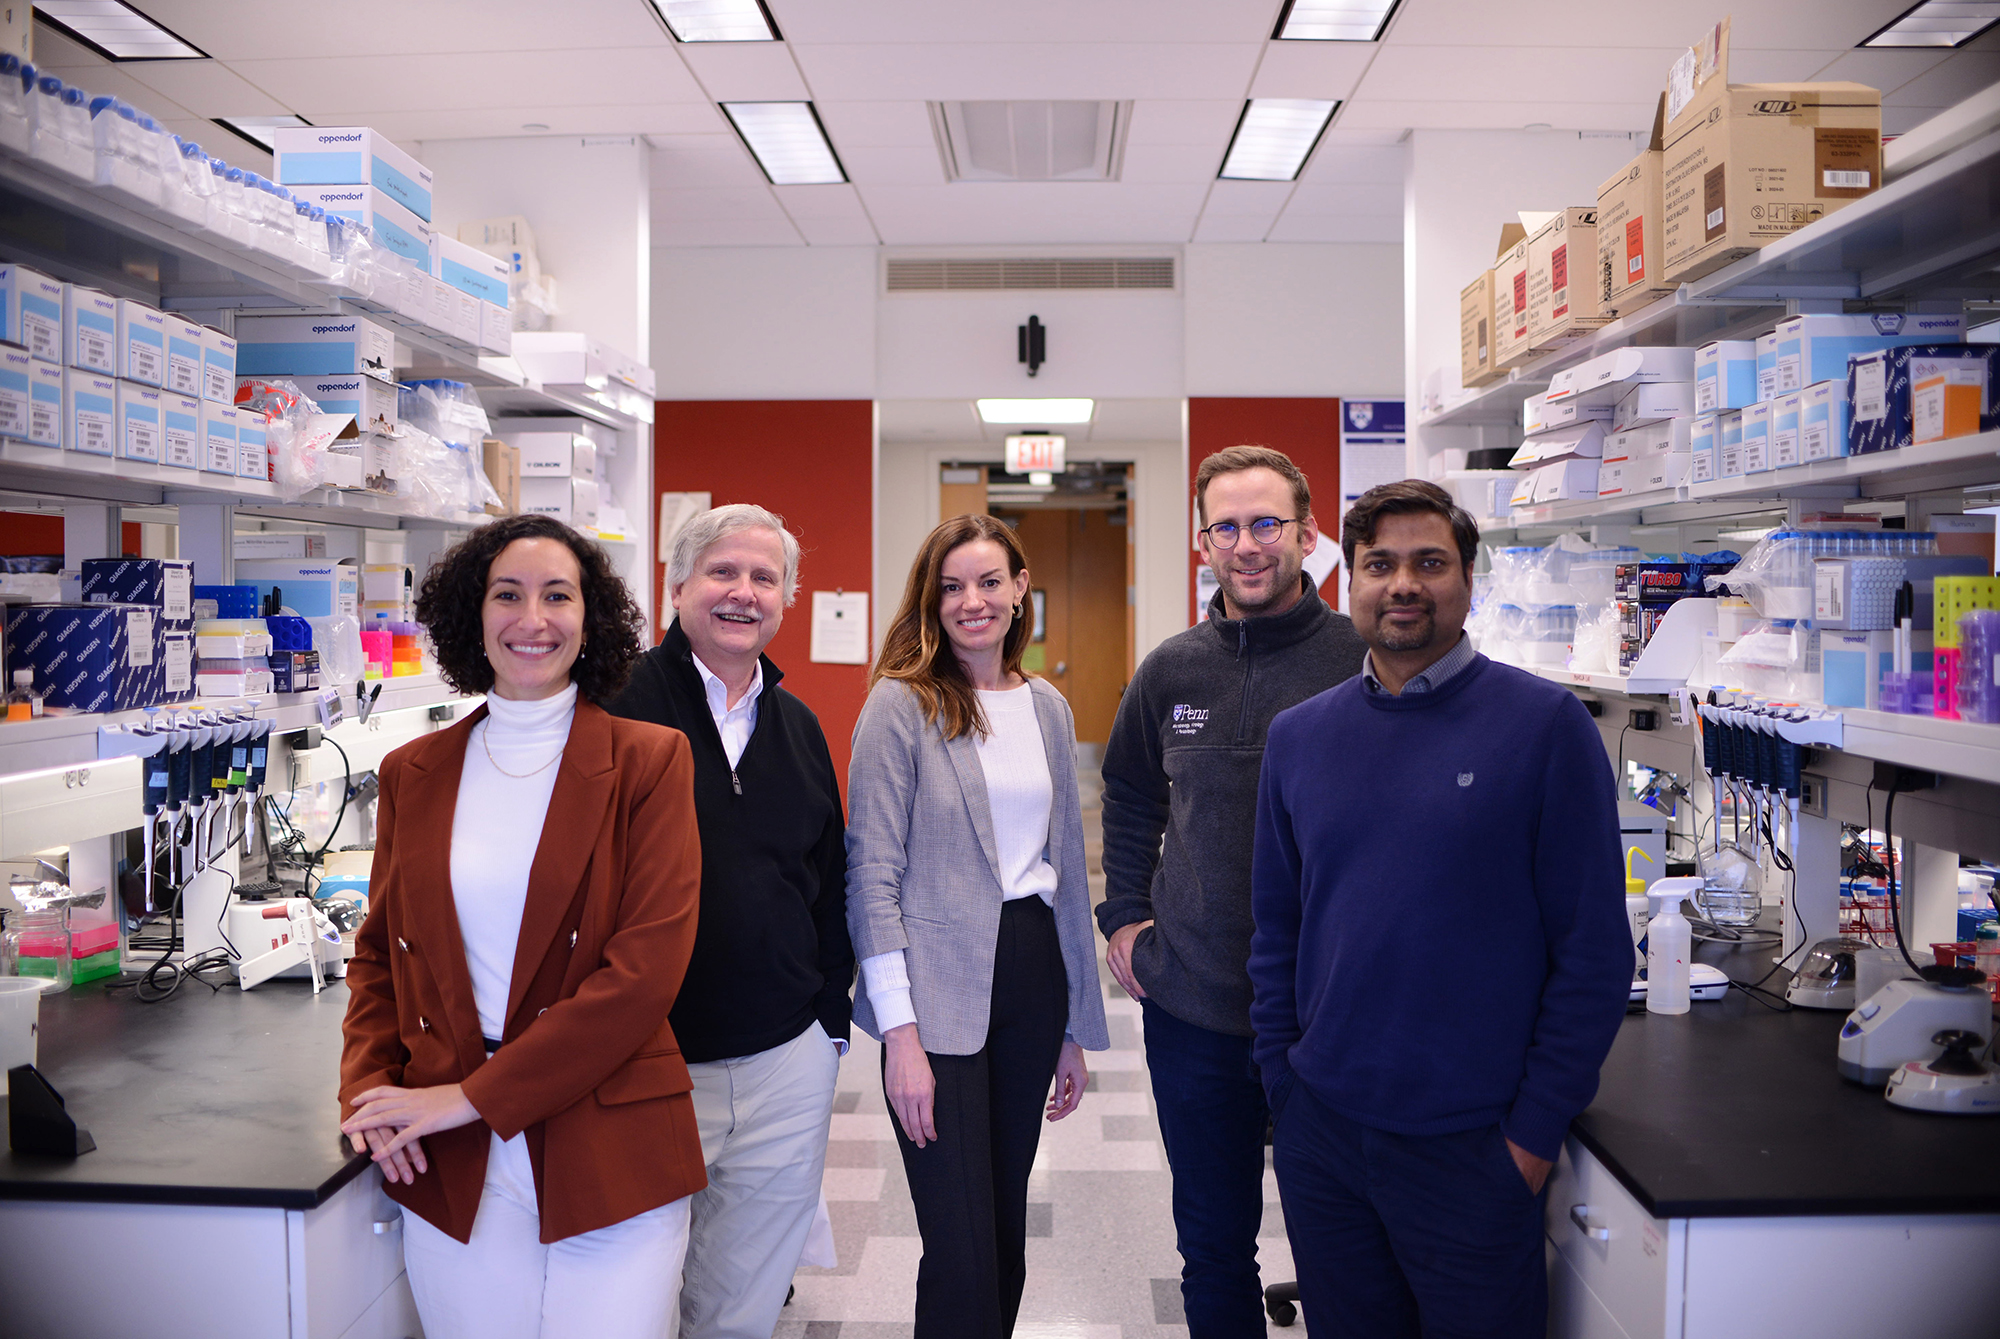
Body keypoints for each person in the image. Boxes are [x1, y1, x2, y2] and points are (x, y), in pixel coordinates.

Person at [1250, 479, 1631, 1338]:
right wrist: (1286, 1085)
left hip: (1474, 1146)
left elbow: (1596, 954)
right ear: (1348, 581)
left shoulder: (1545, 727)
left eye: (1431, 562)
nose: (1404, 584)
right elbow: (1276, 928)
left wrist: (1530, 1138)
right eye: (1379, 564)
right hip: (1326, 1137)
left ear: (1468, 579)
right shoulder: (1299, 736)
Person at [338, 514, 705, 1339]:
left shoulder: (650, 762)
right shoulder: (413, 771)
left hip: (606, 1139)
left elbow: (642, 977)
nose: (531, 619)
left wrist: (469, 1099)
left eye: (557, 596)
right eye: (508, 594)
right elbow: (377, 960)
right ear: (475, 614)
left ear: (591, 619)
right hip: (454, 1158)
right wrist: (368, 1095)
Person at [1097, 445, 1366, 1337]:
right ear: (1202, 541)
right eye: (1226, 527)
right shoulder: (1172, 669)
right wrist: (1125, 917)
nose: (1246, 545)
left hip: (1333, 1016)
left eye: (1266, 524)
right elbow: (1131, 792)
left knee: (1345, 1245)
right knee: (1213, 1248)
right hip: (1197, 1010)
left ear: (1308, 532)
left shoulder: (1362, 658)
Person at [846, 513, 1111, 1339]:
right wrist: (901, 1036)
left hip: (1031, 975)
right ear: (931, 600)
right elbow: (871, 875)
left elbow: (1065, 869)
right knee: (957, 1238)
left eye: (990, 581)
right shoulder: (901, 705)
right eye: (952, 586)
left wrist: (1074, 1024)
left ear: (1020, 588)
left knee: (1001, 1232)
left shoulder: (1048, 707)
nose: (972, 601)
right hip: (936, 988)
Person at [602, 503, 853, 1339]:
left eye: (763, 577)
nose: (743, 593)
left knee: (742, 1301)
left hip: (786, 1060)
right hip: (648, 1061)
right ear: (676, 586)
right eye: (722, 572)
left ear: (786, 598)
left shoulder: (799, 726)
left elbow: (826, 881)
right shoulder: (614, 707)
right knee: (629, 1292)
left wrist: (829, 1025)